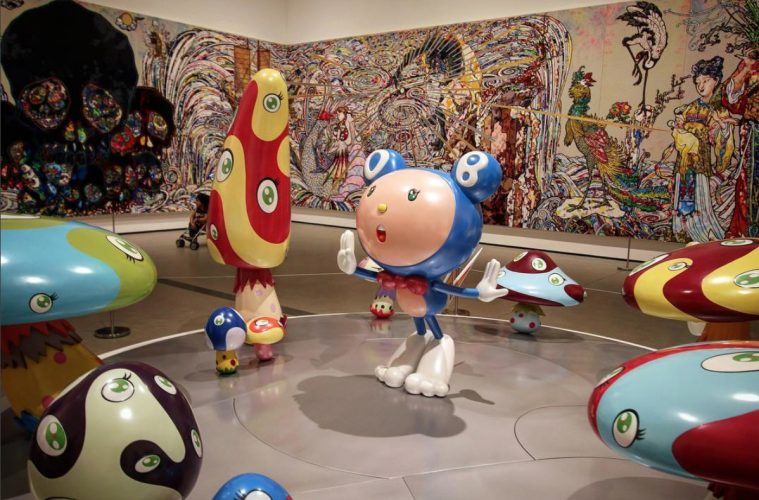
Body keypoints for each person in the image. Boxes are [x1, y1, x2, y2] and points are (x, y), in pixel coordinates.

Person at [670, 56, 735, 241]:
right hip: (684, 163)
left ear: (716, 81)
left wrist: (723, 129)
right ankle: (680, 232)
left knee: (698, 202)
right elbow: (678, 131)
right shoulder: (689, 108)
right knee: (681, 201)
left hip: (700, 164)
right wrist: (678, 128)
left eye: (705, 81)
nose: (701, 86)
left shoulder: (719, 111)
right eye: (698, 82)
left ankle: (702, 235)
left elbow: (723, 143)